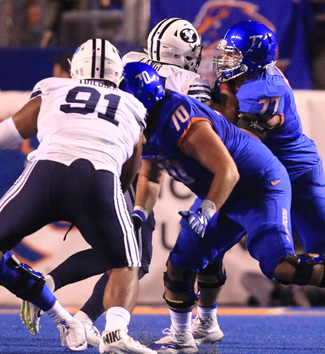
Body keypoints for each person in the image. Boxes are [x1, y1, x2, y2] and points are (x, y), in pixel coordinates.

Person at [121, 61, 325, 354]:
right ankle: (182, 335)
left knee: (281, 266)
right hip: (227, 189)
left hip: (261, 183)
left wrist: (207, 209)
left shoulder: (186, 117)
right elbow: (150, 175)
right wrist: (139, 213)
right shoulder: (148, 122)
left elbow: (228, 169)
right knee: (180, 263)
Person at [187, 20, 325, 351]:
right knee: (204, 241)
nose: (225, 61)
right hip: (253, 178)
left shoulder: (263, 89)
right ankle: (206, 318)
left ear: (255, 58)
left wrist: (205, 109)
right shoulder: (243, 78)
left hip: (293, 176)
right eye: (226, 54)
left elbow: (240, 143)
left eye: (234, 55)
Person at [19, 17, 210, 348]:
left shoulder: (131, 61)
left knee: (122, 252)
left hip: (112, 156)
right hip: (134, 161)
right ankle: (84, 318)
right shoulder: (192, 82)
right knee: (133, 258)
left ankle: (57, 293)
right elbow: (202, 128)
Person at [0, 38, 156, 354]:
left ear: (76, 68)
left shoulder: (53, 89)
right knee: (127, 262)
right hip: (99, 179)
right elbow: (130, 169)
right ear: (117, 73)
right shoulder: (132, 105)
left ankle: (53, 306)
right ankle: (114, 333)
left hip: (45, 174)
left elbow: (7, 134)